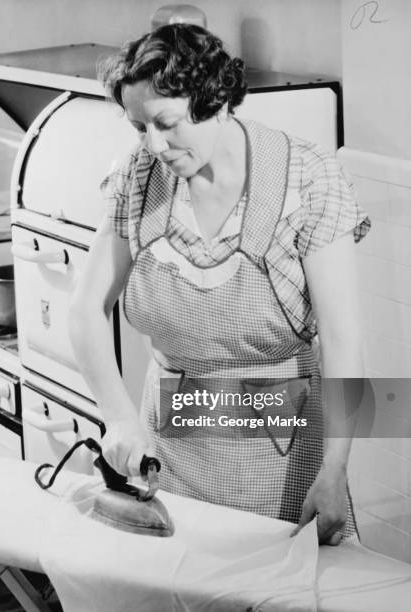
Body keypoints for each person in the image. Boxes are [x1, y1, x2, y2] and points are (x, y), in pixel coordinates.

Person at [69, 24, 370, 545]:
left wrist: (336, 468)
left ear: (216, 100)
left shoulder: (307, 178)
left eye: (166, 123)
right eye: (140, 127)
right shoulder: (139, 179)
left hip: (285, 459)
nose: (154, 144)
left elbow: (344, 342)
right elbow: (85, 311)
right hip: (172, 459)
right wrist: (118, 419)